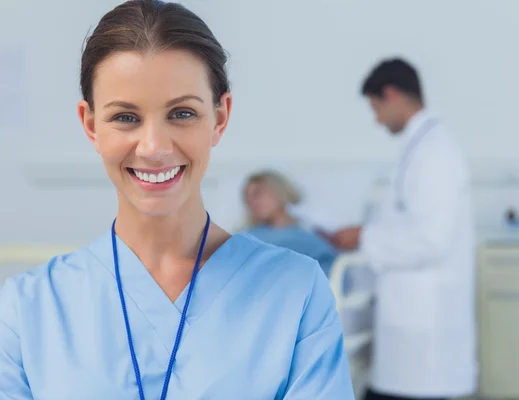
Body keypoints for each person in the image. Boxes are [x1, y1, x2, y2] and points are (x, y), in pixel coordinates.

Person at [0, 1, 354, 398]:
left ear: (220, 118)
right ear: (90, 124)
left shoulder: (296, 292)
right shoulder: (27, 310)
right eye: (125, 117)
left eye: (182, 113)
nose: (153, 148)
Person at [330, 58, 477, 400]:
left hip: (427, 338)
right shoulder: (419, 148)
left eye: (375, 106)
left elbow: (432, 239)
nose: (376, 118)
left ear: (392, 94)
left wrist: (363, 238)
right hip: (411, 331)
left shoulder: (435, 152)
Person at [243, 170, 339, 277]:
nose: (250, 200)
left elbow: (332, 270)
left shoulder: (310, 234)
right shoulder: (247, 237)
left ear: (278, 191)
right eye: (247, 196)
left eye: (258, 193)